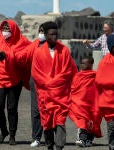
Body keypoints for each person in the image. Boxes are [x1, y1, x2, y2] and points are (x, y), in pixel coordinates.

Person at [31, 21, 78, 150]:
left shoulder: (64, 50)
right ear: (45, 35)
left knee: (60, 121)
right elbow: (36, 73)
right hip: (45, 96)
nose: (54, 37)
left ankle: (59, 147)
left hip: (61, 95)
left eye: (56, 34)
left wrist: (54, 82)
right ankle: (50, 146)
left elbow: (68, 71)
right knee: (47, 122)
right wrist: (48, 83)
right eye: (51, 34)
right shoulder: (38, 53)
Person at [0, 19, 31, 145]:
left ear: (14, 29)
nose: (5, 32)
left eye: (8, 29)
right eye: (3, 29)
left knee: (12, 108)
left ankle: (12, 135)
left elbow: (24, 57)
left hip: (15, 79)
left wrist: (8, 56)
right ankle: (4, 131)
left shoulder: (22, 42)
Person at [69, 56, 102, 147]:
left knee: (93, 119)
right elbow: (73, 89)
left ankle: (89, 140)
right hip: (80, 102)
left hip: (93, 103)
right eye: (81, 63)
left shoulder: (97, 75)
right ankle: (82, 138)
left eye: (84, 63)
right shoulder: (77, 76)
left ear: (91, 64)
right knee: (82, 118)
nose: (82, 65)